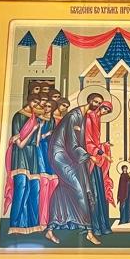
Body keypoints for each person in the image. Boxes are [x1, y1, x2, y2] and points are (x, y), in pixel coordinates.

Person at [45, 93, 113, 245]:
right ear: (90, 100)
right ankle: (89, 231)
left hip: (71, 155)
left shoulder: (82, 116)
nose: (98, 105)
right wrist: (89, 156)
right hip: (61, 156)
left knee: (63, 190)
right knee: (81, 190)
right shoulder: (74, 116)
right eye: (96, 102)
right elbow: (72, 143)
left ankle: (50, 229)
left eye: (100, 103)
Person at [2, 95, 42, 235]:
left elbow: (36, 143)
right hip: (20, 156)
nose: (37, 105)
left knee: (35, 189)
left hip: (32, 156)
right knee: (22, 187)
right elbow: (19, 144)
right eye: (35, 102)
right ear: (29, 101)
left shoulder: (35, 119)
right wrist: (33, 129)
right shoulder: (18, 116)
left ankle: (33, 225)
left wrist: (39, 128)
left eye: (39, 103)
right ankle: (15, 225)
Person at [35, 100, 57, 230]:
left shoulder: (52, 120)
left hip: (50, 151)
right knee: (43, 184)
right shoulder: (39, 119)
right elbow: (37, 141)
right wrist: (45, 133)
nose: (47, 108)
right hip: (41, 150)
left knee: (52, 185)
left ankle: (50, 220)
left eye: (49, 106)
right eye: (45, 106)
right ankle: (42, 221)